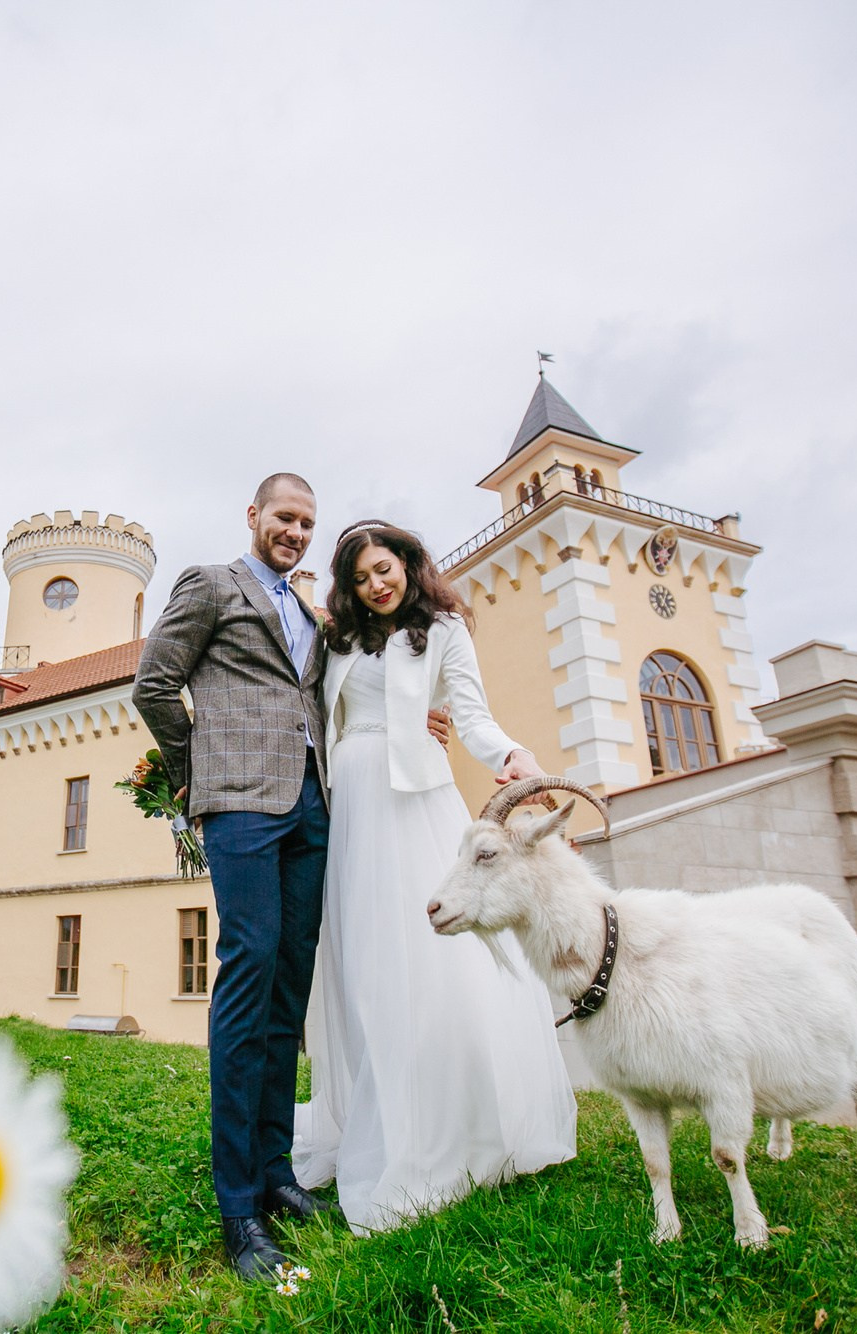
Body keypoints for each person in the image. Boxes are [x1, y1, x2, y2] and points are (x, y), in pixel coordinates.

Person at [132, 476, 451, 1279]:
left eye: (307, 523)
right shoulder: (212, 584)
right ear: (254, 516)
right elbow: (154, 685)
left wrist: (418, 722)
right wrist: (193, 772)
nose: (296, 532)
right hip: (240, 805)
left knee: (288, 990)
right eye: (285, 518)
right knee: (248, 973)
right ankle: (237, 1207)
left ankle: (275, 1172)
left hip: (316, 813)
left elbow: (347, 698)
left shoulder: (316, 619)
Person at [292, 519, 579, 1234]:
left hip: (416, 802)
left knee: (434, 959)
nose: (376, 585)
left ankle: (454, 1124)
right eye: (360, 579)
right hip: (351, 806)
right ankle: (378, 1112)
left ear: (409, 564)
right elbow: (317, 715)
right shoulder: (337, 639)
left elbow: (473, 717)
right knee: (366, 963)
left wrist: (512, 757)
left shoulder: (444, 628)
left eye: (384, 569)